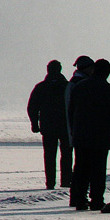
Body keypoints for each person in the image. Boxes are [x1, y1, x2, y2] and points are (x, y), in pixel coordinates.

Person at [67, 59, 110, 210]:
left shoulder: (79, 87)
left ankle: (79, 199)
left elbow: (71, 111)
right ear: (106, 72)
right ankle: (96, 200)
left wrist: (74, 131)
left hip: (81, 136)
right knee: (98, 170)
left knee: (81, 168)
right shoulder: (109, 90)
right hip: (101, 137)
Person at [27, 60, 72, 190]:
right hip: (64, 127)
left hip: (49, 126)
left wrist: (34, 123)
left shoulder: (41, 87)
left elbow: (32, 107)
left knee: (50, 156)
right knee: (66, 155)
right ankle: (66, 181)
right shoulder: (67, 86)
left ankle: (51, 182)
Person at [64, 55, 94, 207]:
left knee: (81, 166)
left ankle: (77, 196)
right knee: (82, 167)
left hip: (79, 133)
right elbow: (70, 111)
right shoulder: (77, 84)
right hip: (80, 133)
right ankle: (76, 197)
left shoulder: (76, 83)